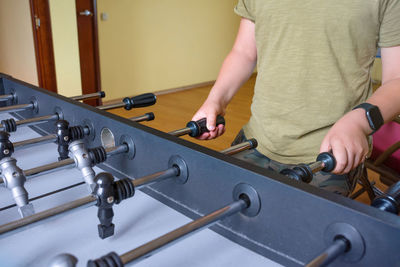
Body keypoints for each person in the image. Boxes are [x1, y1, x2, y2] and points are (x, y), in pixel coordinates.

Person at [192, 0, 400, 195]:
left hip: (327, 154)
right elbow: (243, 52)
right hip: (256, 138)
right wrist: (215, 100)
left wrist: (359, 123)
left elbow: (396, 80)